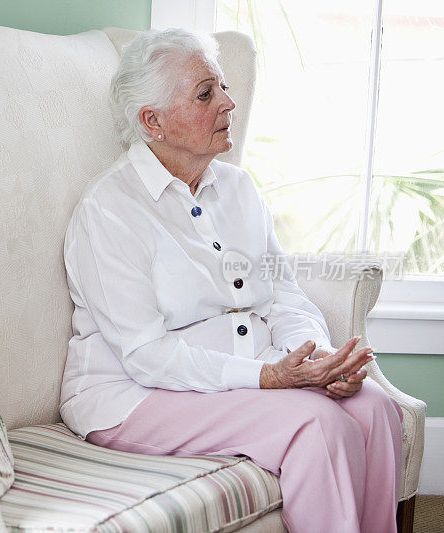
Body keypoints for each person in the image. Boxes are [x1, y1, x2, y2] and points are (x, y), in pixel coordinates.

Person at [60, 28, 403, 533]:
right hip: (131, 395)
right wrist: (267, 378)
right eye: (207, 93)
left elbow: (282, 294)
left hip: (240, 375)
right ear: (152, 121)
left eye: (222, 86)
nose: (228, 102)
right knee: (318, 425)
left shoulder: (239, 189)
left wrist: (315, 359)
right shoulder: (109, 212)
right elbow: (146, 355)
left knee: (374, 407)